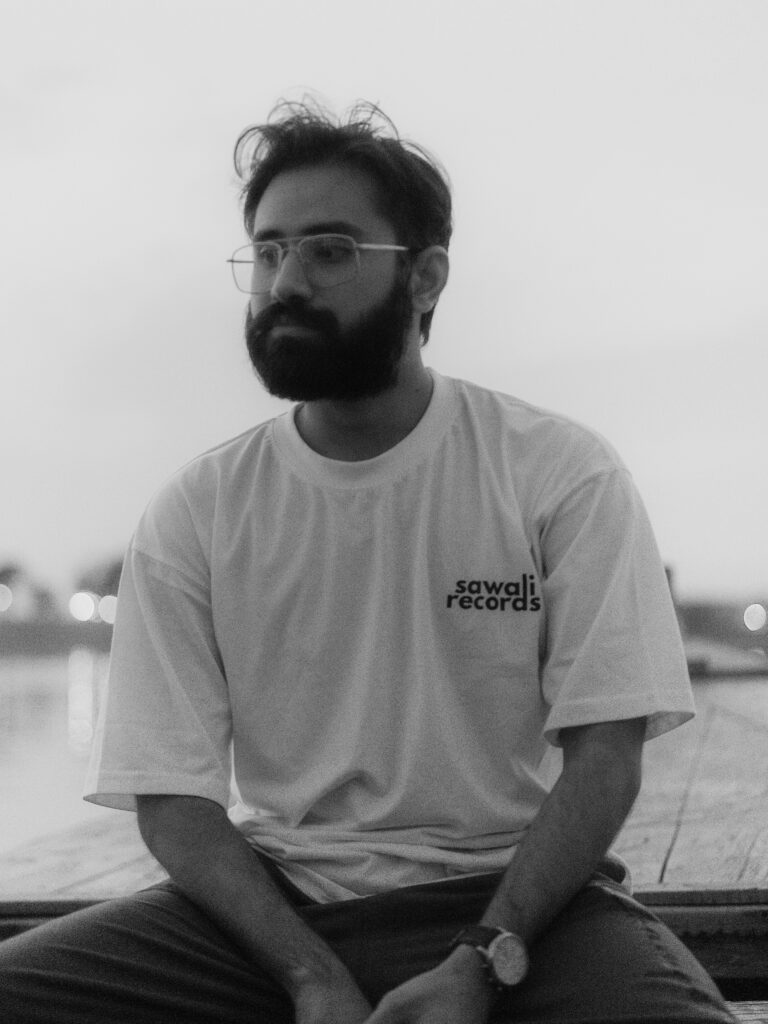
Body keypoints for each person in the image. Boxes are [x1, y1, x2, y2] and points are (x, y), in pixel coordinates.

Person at [0, 101, 735, 1024]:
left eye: (330, 250)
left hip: (521, 903)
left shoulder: (556, 473)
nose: (286, 281)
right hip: (276, 909)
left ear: (425, 277)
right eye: (268, 252)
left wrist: (483, 959)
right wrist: (307, 973)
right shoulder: (201, 508)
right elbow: (173, 799)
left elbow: (606, 759)